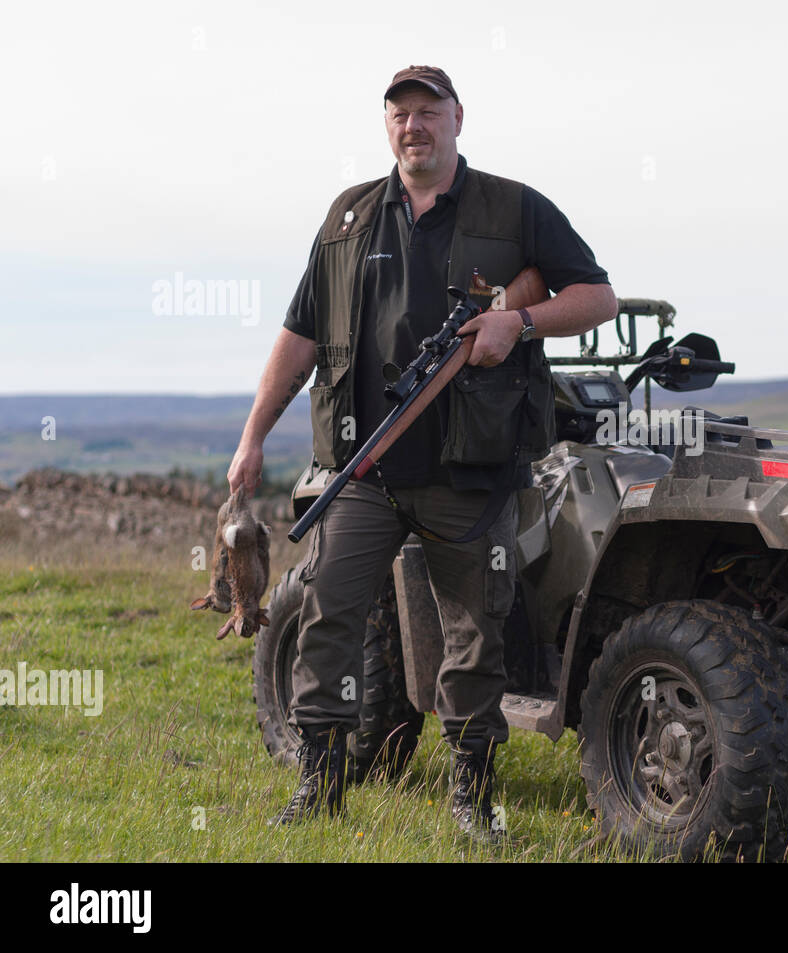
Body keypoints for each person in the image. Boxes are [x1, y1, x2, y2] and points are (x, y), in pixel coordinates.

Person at [226, 65, 616, 839]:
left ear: (457, 118)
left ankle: (472, 798)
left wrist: (520, 323)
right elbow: (299, 335)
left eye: (428, 112)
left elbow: (596, 297)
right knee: (328, 617)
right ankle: (322, 785)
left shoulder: (514, 208)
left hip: (469, 472)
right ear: (387, 127)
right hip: (365, 468)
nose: (414, 126)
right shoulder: (348, 217)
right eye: (400, 114)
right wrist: (252, 435)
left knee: (474, 635)